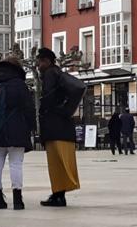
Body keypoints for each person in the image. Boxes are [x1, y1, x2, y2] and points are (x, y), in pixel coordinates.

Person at [0, 56, 36, 210]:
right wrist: (32, 127)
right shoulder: (19, 85)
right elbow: (28, 108)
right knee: (16, 164)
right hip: (17, 128)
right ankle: (18, 200)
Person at [37, 48, 85, 207]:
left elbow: (49, 99)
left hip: (55, 126)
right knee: (60, 162)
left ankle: (58, 195)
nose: (38, 65)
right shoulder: (57, 74)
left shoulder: (50, 74)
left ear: (48, 61)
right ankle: (58, 194)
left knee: (56, 163)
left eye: (41, 61)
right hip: (62, 127)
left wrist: (55, 109)